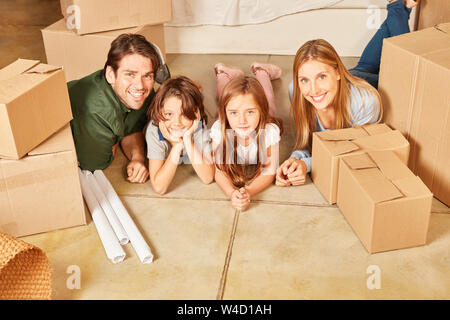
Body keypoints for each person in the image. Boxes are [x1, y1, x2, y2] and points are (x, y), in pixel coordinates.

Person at [276, 39, 382, 187]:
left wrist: (307, 164)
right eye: (304, 80)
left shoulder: (365, 102)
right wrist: (295, 159)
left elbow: (355, 151)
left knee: (399, 51)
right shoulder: (296, 91)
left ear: (338, 72)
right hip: (346, 80)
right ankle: (397, 13)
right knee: (364, 66)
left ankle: (398, 14)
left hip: (367, 83)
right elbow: (308, 141)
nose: (313, 90)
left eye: (321, 76)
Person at [67, 33, 169, 183]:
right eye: (130, 74)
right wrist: (119, 137)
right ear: (110, 75)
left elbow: (132, 127)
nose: (140, 86)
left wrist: (137, 158)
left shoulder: (137, 93)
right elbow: (93, 165)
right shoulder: (97, 113)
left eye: (147, 76)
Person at [211, 64, 283, 211]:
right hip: (225, 117)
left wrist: (249, 191)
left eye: (250, 112)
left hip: (265, 117)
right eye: (233, 113)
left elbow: (269, 172)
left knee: (268, 98)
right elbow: (219, 171)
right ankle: (224, 74)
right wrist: (231, 193)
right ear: (227, 113)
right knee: (224, 96)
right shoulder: (220, 129)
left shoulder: (269, 132)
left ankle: (262, 72)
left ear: (260, 111)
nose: (242, 120)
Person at [145, 76, 214, 194]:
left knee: (213, 102)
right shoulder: (154, 131)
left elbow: (207, 177)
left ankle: (222, 77)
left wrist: (187, 140)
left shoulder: (196, 125)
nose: (177, 123)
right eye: (169, 114)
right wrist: (177, 146)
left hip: (195, 104)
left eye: (184, 115)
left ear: (195, 115)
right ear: (159, 112)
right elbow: (159, 188)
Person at [348, 0, 419, 89]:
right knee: (365, 67)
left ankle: (399, 6)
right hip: (350, 76)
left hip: (353, 85)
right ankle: (400, 6)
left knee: (401, 76)